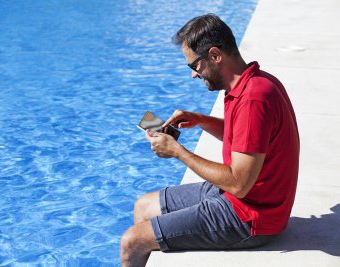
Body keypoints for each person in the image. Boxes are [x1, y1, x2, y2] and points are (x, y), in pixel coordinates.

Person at [120, 14, 300, 267]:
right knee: (143, 206)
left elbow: (239, 184)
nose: (194, 75)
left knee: (131, 241)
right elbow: (250, 137)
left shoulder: (252, 100)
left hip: (252, 216)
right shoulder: (255, 82)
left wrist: (177, 151)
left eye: (195, 66)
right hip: (243, 198)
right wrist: (201, 120)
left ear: (215, 55)